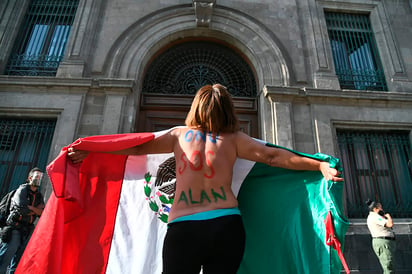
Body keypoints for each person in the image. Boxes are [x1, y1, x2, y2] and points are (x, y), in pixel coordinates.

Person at [68, 84, 343, 274]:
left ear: (196, 108)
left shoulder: (178, 135)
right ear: (228, 110)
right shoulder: (234, 140)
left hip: (184, 228)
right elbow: (273, 157)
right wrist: (318, 166)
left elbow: (136, 146)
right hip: (226, 226)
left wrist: (92, 150)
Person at [0, 167, 45, 274]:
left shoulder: (39, 195)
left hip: (26, 232)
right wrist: (36, 209)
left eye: (40, 177)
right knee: (4, 261)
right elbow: (21, 209)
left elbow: (43, 213)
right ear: (30, 178)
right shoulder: (22, 190)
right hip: (14, 229)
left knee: (17, 265)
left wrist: (31, 208)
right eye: (36, 177)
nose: (38, 179)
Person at [366, 200, 396, 274]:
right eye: (380, 208)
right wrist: (388, 216)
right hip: (383, 243)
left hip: (385, 242)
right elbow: (390, 224)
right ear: (375, 209)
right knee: (388, 265)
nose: (382, 209)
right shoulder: (376, 217)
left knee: (389, 265)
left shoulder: (376, 217)